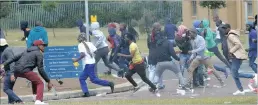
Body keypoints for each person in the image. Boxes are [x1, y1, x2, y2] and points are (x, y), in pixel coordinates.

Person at [2, 40, 53, 105]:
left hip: (16, 71)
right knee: (40, 83)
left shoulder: (25, 51)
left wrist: (4, 64)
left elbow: (13, 58)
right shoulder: (38, 54)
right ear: (38, 46)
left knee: (35, 77)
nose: (44, 47)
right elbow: (40, 69)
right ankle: (38, 101)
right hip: (25, 71)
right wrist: (48, 81)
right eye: (43, 45)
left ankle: (35, 97)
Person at [117, 33, 160, 97]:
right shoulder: (132, 45)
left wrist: (122, 55)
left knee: (144, 79)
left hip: (139, 64)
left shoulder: (132, 45)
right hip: (135, 64)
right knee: (127, 75)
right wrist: (133, 61)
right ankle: (136, 86)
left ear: (129, 38)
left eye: (126, 38)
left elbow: (131, 55)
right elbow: (138, 53)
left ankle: (154, 88)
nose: (125, 39)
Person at [72, 33, 114, 97]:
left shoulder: (80, 45)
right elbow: (96, 52)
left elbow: (83, 54)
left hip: (89, 64)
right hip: (91, 63)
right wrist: (90, 54)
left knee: (93, 79)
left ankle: (110, 84)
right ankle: (86, 93)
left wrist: (76, 60)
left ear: (79, 39)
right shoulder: (90, 43)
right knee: (82, 78)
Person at [222, 24, 257, 95]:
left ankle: (252, 76)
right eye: (223, 29)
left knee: (234, 73)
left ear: (229, 28)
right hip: (236, 56)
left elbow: (238, 44)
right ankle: (241, 89)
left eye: (225, 28)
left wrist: (231, 51)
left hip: (237, 57)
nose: (224, 30)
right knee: (234, 73)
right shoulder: (230, 35)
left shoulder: (231, 36)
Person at [153, 28, 187, 95]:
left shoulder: (156, 44)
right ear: (164, 36)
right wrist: (177, 58)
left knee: (157, 74)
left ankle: (154, 85)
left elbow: (156, 53)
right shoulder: (168, 42)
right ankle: (183, 84)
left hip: (159, 63)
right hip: (169, 62)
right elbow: (172, 53)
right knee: (178, 72)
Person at [0, 38, 23, 104]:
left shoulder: (7, 51)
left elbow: (12, 62)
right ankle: (11, 102)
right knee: (9, 88)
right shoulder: (7, 50)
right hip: (10, 71)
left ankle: (18, 100)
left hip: (10, 72)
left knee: (6, 89)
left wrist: (12, 74)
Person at [147, 22, 164, 89]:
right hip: (159, 54)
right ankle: (160, 84)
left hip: (151, 54)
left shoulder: (149, 35)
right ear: (158, 27)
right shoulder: (161, 34)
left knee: (152, 70)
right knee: (160, 70)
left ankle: (150, 85)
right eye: (160, 26)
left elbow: (148, 45)